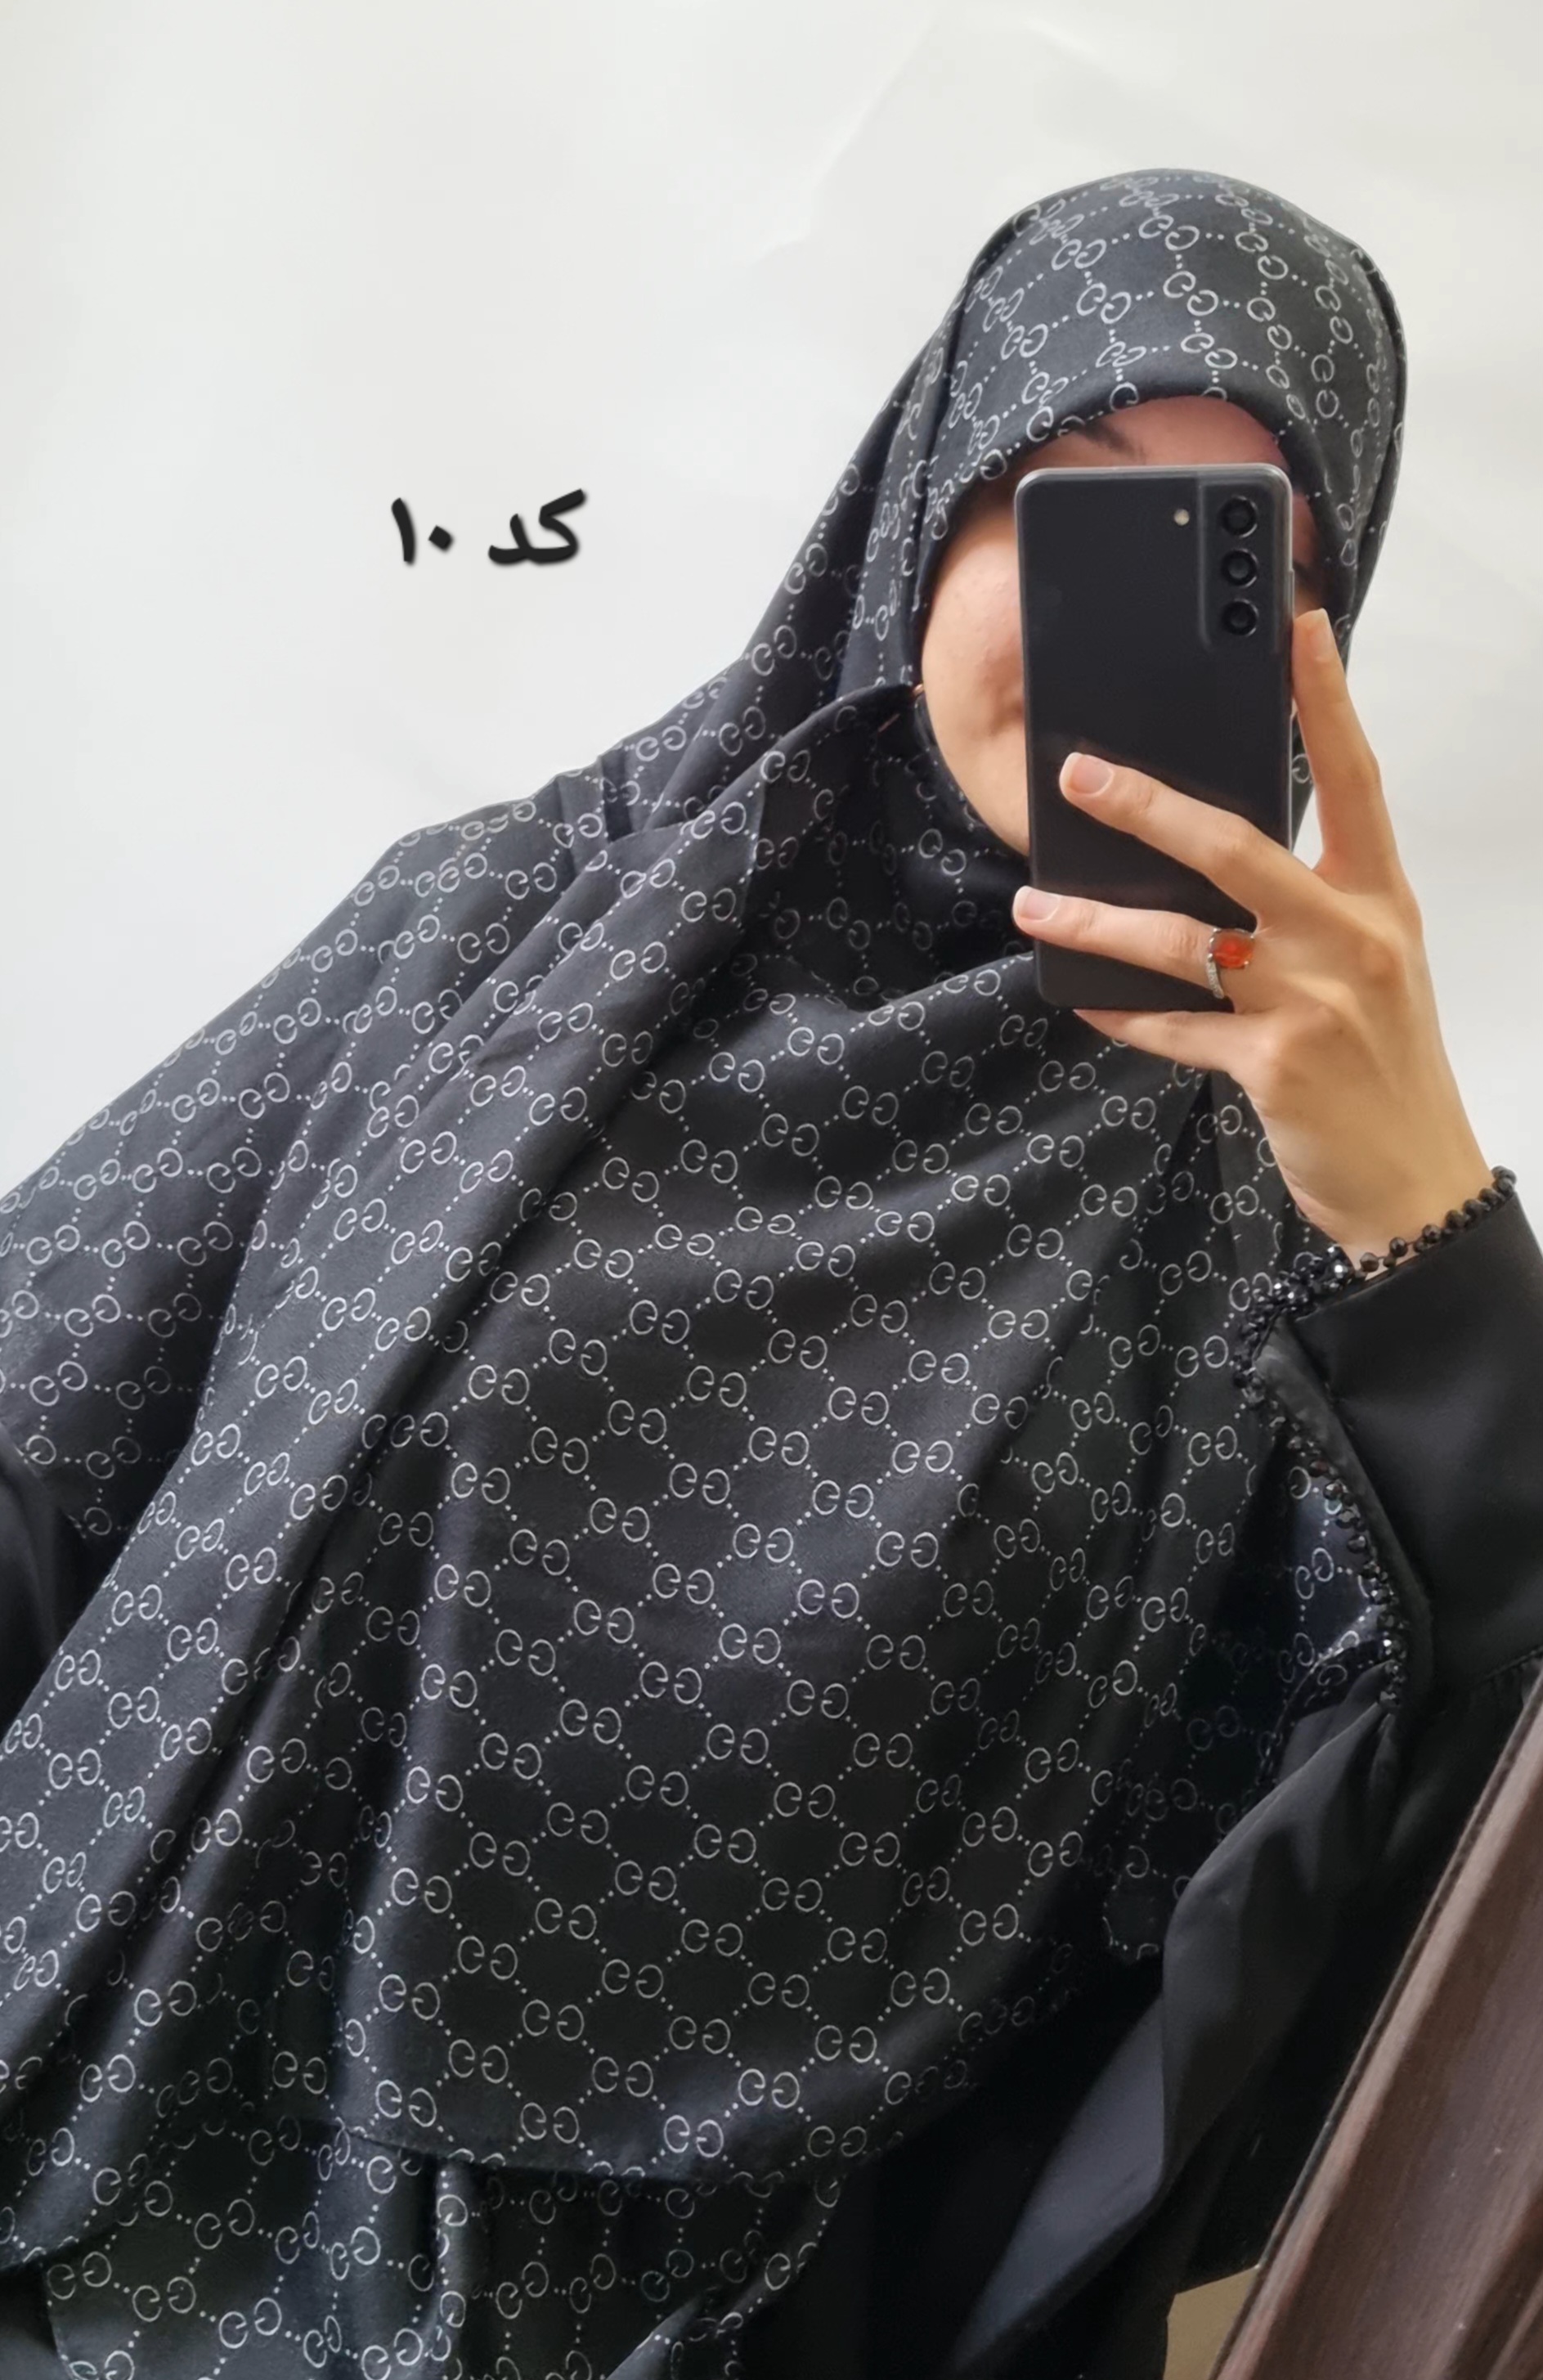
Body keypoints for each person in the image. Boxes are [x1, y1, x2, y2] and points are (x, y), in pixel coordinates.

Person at [0, 164, 1540, 2380]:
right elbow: (51, 1417)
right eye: (1068, 495)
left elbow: (1439, 1869)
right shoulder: (505, 926)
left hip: (686, 2324)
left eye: (1245, 560)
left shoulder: (1282, 1234)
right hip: (102, 2168)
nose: (1122, 618)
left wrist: (1430, 1245)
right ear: (921, 502)